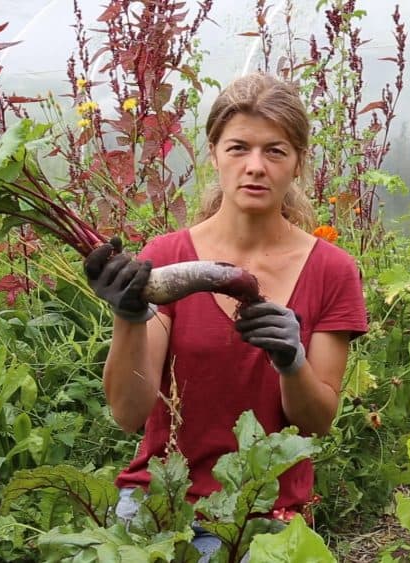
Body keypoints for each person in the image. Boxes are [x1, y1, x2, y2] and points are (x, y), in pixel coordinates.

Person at [83, 73, 368, 559]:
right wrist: (128, 317)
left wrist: (292, 363)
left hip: (264, 514)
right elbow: (128, 414)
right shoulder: (166, 256)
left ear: (298, 162)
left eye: (275, 151)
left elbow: (317, 423)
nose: (255, 167)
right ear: (214, 153)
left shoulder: (332, 270)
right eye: (239, 148)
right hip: (159, 505)